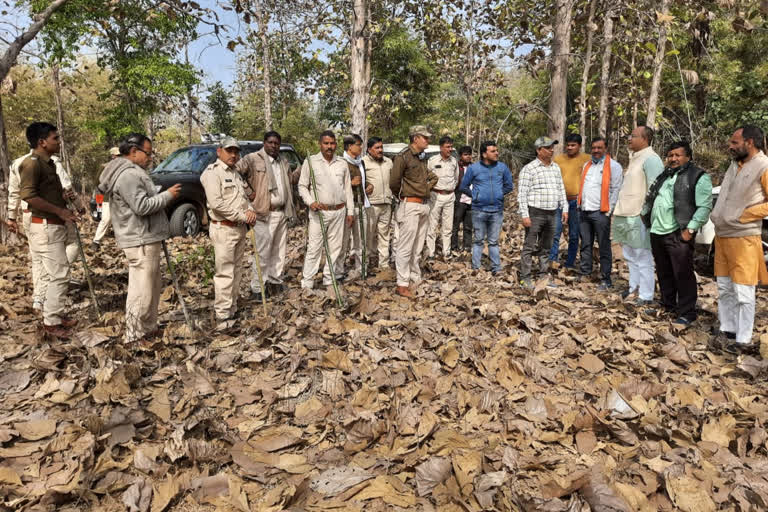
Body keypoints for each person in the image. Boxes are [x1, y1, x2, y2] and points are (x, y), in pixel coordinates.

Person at [99, 133, 181, 341]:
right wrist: (167, 195)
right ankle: (134, 334)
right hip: (140, 238)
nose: (150, 157)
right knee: (141, 290)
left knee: (152, 286)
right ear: (134, 152)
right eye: (148, 153)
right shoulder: (128, 175)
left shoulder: (133, 172)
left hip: (146, 236)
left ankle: (148, 327)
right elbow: (141, 206)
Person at [709, 125, 768, 354]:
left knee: (744, 291)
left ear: (750, 142)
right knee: (724, 287)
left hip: (744, 237)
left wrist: (745, 215)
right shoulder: (735, 164)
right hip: (723, 235)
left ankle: (743, 339)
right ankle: (728, 328)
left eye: (735, 142)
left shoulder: (763, 165)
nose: (730, 146)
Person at [17, 122, 79, 337]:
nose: (59, 142)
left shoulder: (49, 164)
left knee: (59, 272)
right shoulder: (31, 164)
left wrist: (64, 202)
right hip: (45, 227)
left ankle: (56, 313)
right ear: (42, 142)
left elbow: (45, 193)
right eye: (55, 138)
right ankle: (51, 323)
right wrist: (59, 211)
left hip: (54, 225)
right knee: (59, 275)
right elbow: (29, 196)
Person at [643, 141, 712, 325]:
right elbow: (652, 198)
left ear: (688, 157)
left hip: (678, 233)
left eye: (677, 155)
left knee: (683, 273)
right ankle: (668, 306)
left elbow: (704, 207)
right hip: (657, 231)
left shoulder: (698, 176)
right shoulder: (664, 175)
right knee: (664, 272)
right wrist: (646, 217)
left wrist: (690, 230)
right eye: (670, 155)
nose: (673, 158)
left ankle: (687, 313)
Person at [8, 142, 79, 310]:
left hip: (29, 215)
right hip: (53, 213)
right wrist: (78, 206)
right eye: (54, 138)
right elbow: (67, 187)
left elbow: (14, 192)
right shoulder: (51, 162)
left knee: (37, 256)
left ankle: (39, 297)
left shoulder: (18, 163)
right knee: (71, 245)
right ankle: (50, 289)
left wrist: (12, 216)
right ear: (42, 142)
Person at [200, 137, 258, 329]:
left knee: (237, 270)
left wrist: (249, 210)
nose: (233, 155)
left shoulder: (236, 174)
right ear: (219, 151)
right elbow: (217, 204)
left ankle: (232, 307)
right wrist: (242, 216)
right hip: (223, 228)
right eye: (229, 151)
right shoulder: (212, 173)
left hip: (239, 229)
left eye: (236, 151)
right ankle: (223, 314)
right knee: (224, 273)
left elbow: (243, 198)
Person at [237, 131, 296, 298]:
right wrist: (248, 191)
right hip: (263, 213)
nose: (274, 146)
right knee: (262, 253)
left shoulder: (283, 161)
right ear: (264, 143)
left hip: (281, 212)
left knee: (279, 251)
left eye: (277, 143)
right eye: (270, 142)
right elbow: (235, 172)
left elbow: (291, 180)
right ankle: (258, 287)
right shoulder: (252, 158)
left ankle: (275, 281)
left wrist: (304, 169)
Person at [298, 130, 354, 290]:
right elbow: (302, 186)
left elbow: (348, 189)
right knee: (314, 247)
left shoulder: (342, 163)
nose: (329, 146)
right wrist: (310, 202)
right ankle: (307, 283)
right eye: (326, 143)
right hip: (319, 212)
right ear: (320, 144)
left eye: (332, 143)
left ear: (336, 144)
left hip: (339, 210)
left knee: (335, 248)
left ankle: (329, 280)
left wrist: (350, 212)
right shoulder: (311, 161)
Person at [613, 126, 664, 301]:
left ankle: (646, 294)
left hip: (639, 216)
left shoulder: (651, 159)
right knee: (630, 256)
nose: (629, 139)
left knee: (643, 257)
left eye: (633, 136)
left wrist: (646, 213)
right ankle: (633, 288)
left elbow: (655, 189)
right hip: (625, 213)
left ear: (645, 139)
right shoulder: (635, 158)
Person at [389, 125, 437, 298]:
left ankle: (414, 278)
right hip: (410, 205)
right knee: (405, 246)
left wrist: (425, 189)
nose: (428, 140)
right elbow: (394, 182)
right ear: (415, 138)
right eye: (425, 137)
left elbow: (429, 178)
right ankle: (402, 284)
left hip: (423, 205)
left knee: (417, 246)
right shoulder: (403, 157)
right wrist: (405, 196)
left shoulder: (422, 158)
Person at [517, 136, 567, 287]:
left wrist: (564, 208)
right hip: (535, 213)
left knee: (546, 247)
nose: (551, 150)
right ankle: (525, 277)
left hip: (552, 213)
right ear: (539, 150)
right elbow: (522, 194)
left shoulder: (555, 168)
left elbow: (560, 189)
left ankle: (543, 276)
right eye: (547, 147)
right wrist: (524, 215)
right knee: (529, 246)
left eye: (552, 147)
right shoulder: (529, 169)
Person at [459, 140, 514, 276]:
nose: (497, 153)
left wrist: (499, 193)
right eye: (493, 151)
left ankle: (496, 268)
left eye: (496, 150)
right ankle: (476, 267)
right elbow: (463, 186)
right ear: (484, 154)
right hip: (479, 210)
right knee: (478, 240)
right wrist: (476, 196)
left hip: (496, 210)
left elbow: (509, 185)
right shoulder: (474, 168)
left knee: (493, 241)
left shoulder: (502, 167)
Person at [577, 137, 623, 289]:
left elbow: (615, 189)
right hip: (584, 211)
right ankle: (585, 273)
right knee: (585, 244)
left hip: (601, 212)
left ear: (605, 149)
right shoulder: (587, 165)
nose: (596, 150)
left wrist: (609, 211)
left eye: (599, 148)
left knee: (603, 245)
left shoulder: (614, 166)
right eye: (594, 148)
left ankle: (605, 278)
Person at [549, 134, 591, 268]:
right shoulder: (558, 160)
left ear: (579, 146)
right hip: (560, 201)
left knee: (574, 234)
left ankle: (570, 263)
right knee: (555, 232)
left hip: (577, 202)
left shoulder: (587, 159)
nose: (570, 147)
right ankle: (552, 262)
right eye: (568, 145)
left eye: (573, 145)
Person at [340, 134, 373, 279]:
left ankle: (362, 269)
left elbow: (363, 182)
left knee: (362, 240)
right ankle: (338, 271)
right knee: (343, 242)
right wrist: (349, 184)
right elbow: (334, 187)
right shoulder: (341, 163)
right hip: (348, 206)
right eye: (358, 144)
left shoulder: (361, 163)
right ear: (349, 146)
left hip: (361, 204)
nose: (361, 147)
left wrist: (368, 186)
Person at [362, 136, 394, 269]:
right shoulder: (363, 162)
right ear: (369, 150)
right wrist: (366, 185)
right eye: (377, 148)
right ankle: (365, 264)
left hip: (386, 203)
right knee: (367, 236)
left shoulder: (388, 162)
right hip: (371, 204)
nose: (380, 150)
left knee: (384, 236)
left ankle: (384, 265)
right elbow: (358, 181)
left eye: (381, 147)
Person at [425, 136, 458, 260]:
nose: (450, 149)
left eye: (451, 147)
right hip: (435, 195)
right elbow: (426, 177)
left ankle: (446, 252)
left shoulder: (454, 161)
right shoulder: (432, 161)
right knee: (432, 226)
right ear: (441, 148)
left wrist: (450, 189)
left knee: (448, 226)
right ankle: (431, 253)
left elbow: (456, 178)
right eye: (447, 147)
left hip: (450, 196)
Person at [92, 146, 121, 249]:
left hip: (120, 198)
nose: (118, 157)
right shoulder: (104, 167)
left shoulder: (124, 167)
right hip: (106, 197)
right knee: (105, 219)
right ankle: (96, 241)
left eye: (120, 155)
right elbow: (97, 183)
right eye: (117, 155)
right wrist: (99, 200)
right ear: (112, 156)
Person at [451, 146, 473, 254]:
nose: (468, 156)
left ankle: (467, 247)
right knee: (455, 225)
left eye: (469, 154)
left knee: (468, 226)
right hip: (459, 200)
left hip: (471, 200)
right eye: (465, 154)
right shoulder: (456, 167)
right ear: (461, 156)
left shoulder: (474, 167)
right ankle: (454, 246)